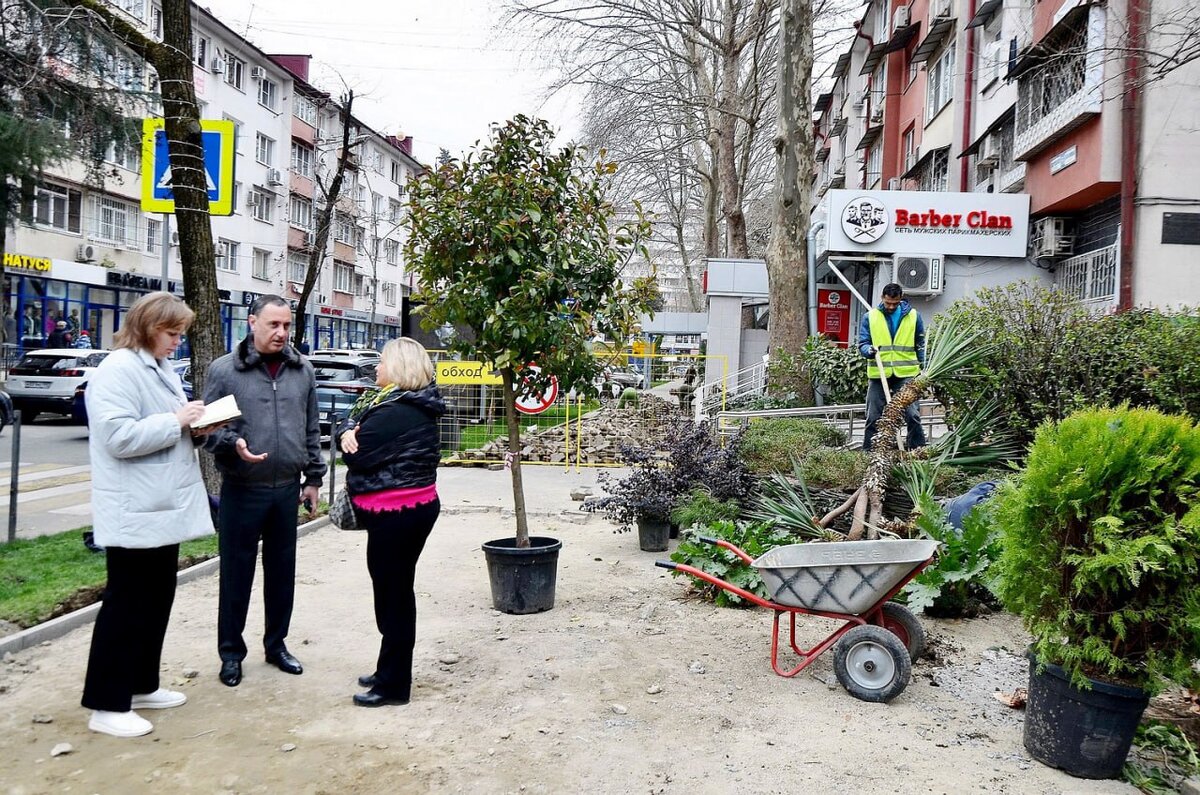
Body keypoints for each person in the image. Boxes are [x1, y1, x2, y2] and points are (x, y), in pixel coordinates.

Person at [80, 292, 217, 737]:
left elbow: (164, 430)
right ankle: (106, 704)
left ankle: (140, 685)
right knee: (126, 605)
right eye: (172, 333)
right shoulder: (117, 371)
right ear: (146, 327)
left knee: (156, 600)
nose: (178, 342)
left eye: (181, 334)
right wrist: (179, 421)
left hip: (159, 506)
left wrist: (196, 430)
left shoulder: (156, 368)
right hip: (134, 509)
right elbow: (118, 437)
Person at [203, 295, 325, 688]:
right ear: (252, 322)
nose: (281, 333)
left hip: (286, 490)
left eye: (287, 326)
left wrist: (314, 479)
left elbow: (311, 429)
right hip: (242, 489)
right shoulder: (225, 371)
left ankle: (277, 646)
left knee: (281, 575)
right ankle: (231, 654)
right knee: (236, 575)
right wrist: (231, 443)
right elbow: (209, 431)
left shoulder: (302, 369)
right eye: (273, 325)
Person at [335, 337, 444, 707]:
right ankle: (388, 671)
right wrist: (347, 431)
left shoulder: (396, 411)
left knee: (393, 597)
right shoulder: (400, 403)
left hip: (397, 516)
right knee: (394, 593)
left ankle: (394, 685)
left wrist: (350, 436)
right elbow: (350, 429)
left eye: (381, 362)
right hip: (407, 512)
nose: (376, 368)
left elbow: (358, 458)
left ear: (398, 368)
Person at [857, 283, 927, 452]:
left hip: (907, 373)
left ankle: (917, 450)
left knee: (913, 415)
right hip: (879, 374)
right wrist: (869, 350)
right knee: (873, 415)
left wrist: (924, 368)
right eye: (888, 302)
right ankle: (869, 451)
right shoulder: (870, 317)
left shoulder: (914, 316)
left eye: (894, 303)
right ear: (882, 298)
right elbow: (863, 343)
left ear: (900, 299)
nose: (890, 306)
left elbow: (920, 344)